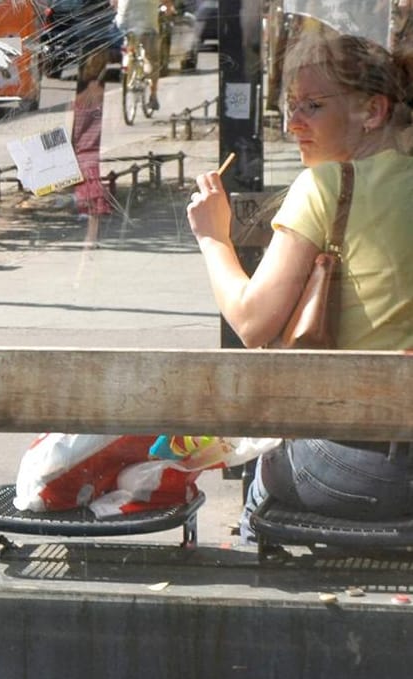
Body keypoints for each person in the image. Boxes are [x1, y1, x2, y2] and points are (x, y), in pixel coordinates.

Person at [186, 31, 413, 528]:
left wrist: (213, 237)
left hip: (361, 464)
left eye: (311, 105)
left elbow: (251, 323)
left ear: (371, 112)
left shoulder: (327, 184)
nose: (293, 124)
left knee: (261, 485)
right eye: (290, 106)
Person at [71, 49, 111, 248]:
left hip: (84, 143)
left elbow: (78, 117)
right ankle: (91, 227)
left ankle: (91, 229)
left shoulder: (88, 90)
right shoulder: (97, 89)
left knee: (88, 181)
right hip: (90, 144)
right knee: (89, 180)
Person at [115, 0, 161, 112]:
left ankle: (129, 60)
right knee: (153, 60)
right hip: (147, 26)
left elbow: (113, 3)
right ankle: (153, 96)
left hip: (124, 24)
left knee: (129, 45)